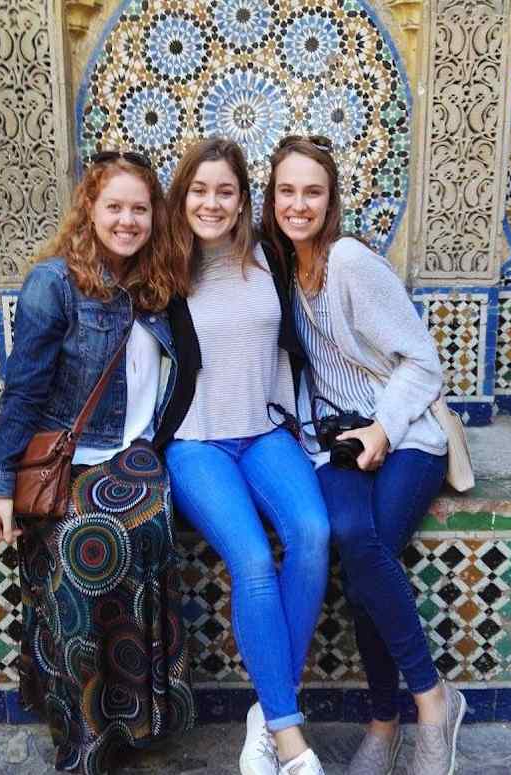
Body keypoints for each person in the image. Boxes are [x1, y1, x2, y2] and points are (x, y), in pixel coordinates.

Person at [0, 151, 194, 775]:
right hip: (71, 458)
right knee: (81, 544)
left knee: (131, 525)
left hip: (136, 456)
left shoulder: (161, 285)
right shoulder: (55, 282)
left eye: (139, 208)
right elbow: (24, 391)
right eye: (114, 207)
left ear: (155, 215)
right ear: (90, 210)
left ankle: (132, 717)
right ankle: (85, 735)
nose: (127, 220)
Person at [261, 135, 466, 775]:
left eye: (312, 192)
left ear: (331, 200)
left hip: (406, 433)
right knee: (350, 533)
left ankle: (418, 706)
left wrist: (382, 427)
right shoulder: (279, 268)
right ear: (271, 199)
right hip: (337, 440)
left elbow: (423, 362)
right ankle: (398, 713)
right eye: (287, 191)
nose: (299, 204)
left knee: (367, 541)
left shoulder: (348, 261)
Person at [153, 137, 330, 775]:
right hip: (197, 442)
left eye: (224, 190)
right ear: (182, 196)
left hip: (262, 432)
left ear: (242, 198)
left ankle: (267, 708)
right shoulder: (163, 268)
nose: (211, 202)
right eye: (199, 190)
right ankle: (289, 737)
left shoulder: (269, 255)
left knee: (312, 532)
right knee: (253, 558)